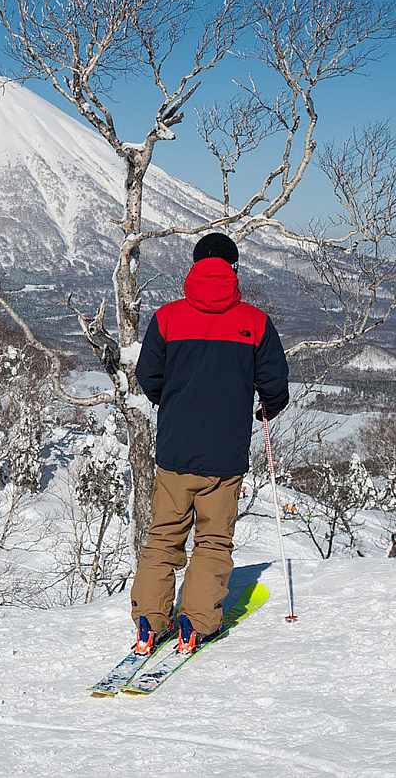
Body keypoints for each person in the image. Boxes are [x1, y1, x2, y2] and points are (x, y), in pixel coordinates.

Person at [131, 232, 290, 654]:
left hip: (175, 452)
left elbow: (148, 377)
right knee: (213, 541)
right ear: (234, 269)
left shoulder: (167, 319)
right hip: (225, 454)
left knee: (163, 537)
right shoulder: (254, 322)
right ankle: (196, 624)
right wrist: (265, 408)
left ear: (194, 267)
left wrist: (176, 402)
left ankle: (149, 621)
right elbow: (275, 385)